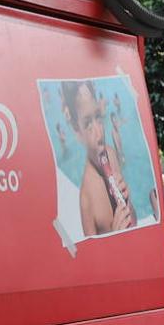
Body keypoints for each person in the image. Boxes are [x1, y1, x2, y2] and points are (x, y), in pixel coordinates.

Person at [61, 79, 136, 237]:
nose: (99, 132)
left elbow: (133, 222)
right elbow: (92, 260)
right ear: (77, 131)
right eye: (88, 123)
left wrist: (128, 204)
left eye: (98, 118)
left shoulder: (111, 154)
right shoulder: (86, 198)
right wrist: (114, 238)